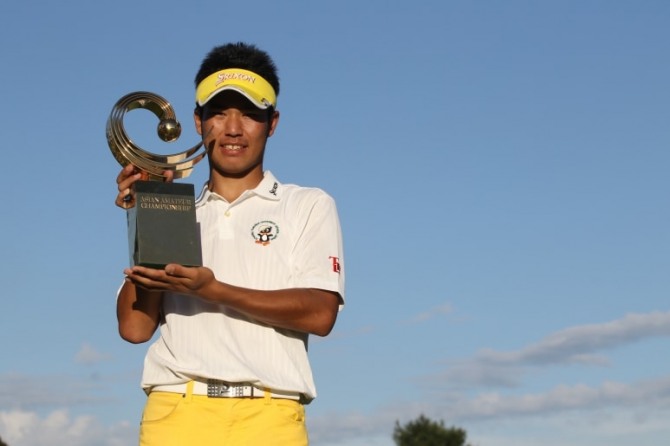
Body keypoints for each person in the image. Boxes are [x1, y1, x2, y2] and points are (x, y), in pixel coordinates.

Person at [114, 42, 345, 446]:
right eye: (219, 112)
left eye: (250, 113)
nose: (233, 129)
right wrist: (146, 217)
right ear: (198, 121)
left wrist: (213, 290)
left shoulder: (307, 204)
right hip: (176, 412)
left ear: (272, 123)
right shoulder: (174, 209)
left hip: (271, 415)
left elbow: (320, 314)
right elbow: (135, 328)